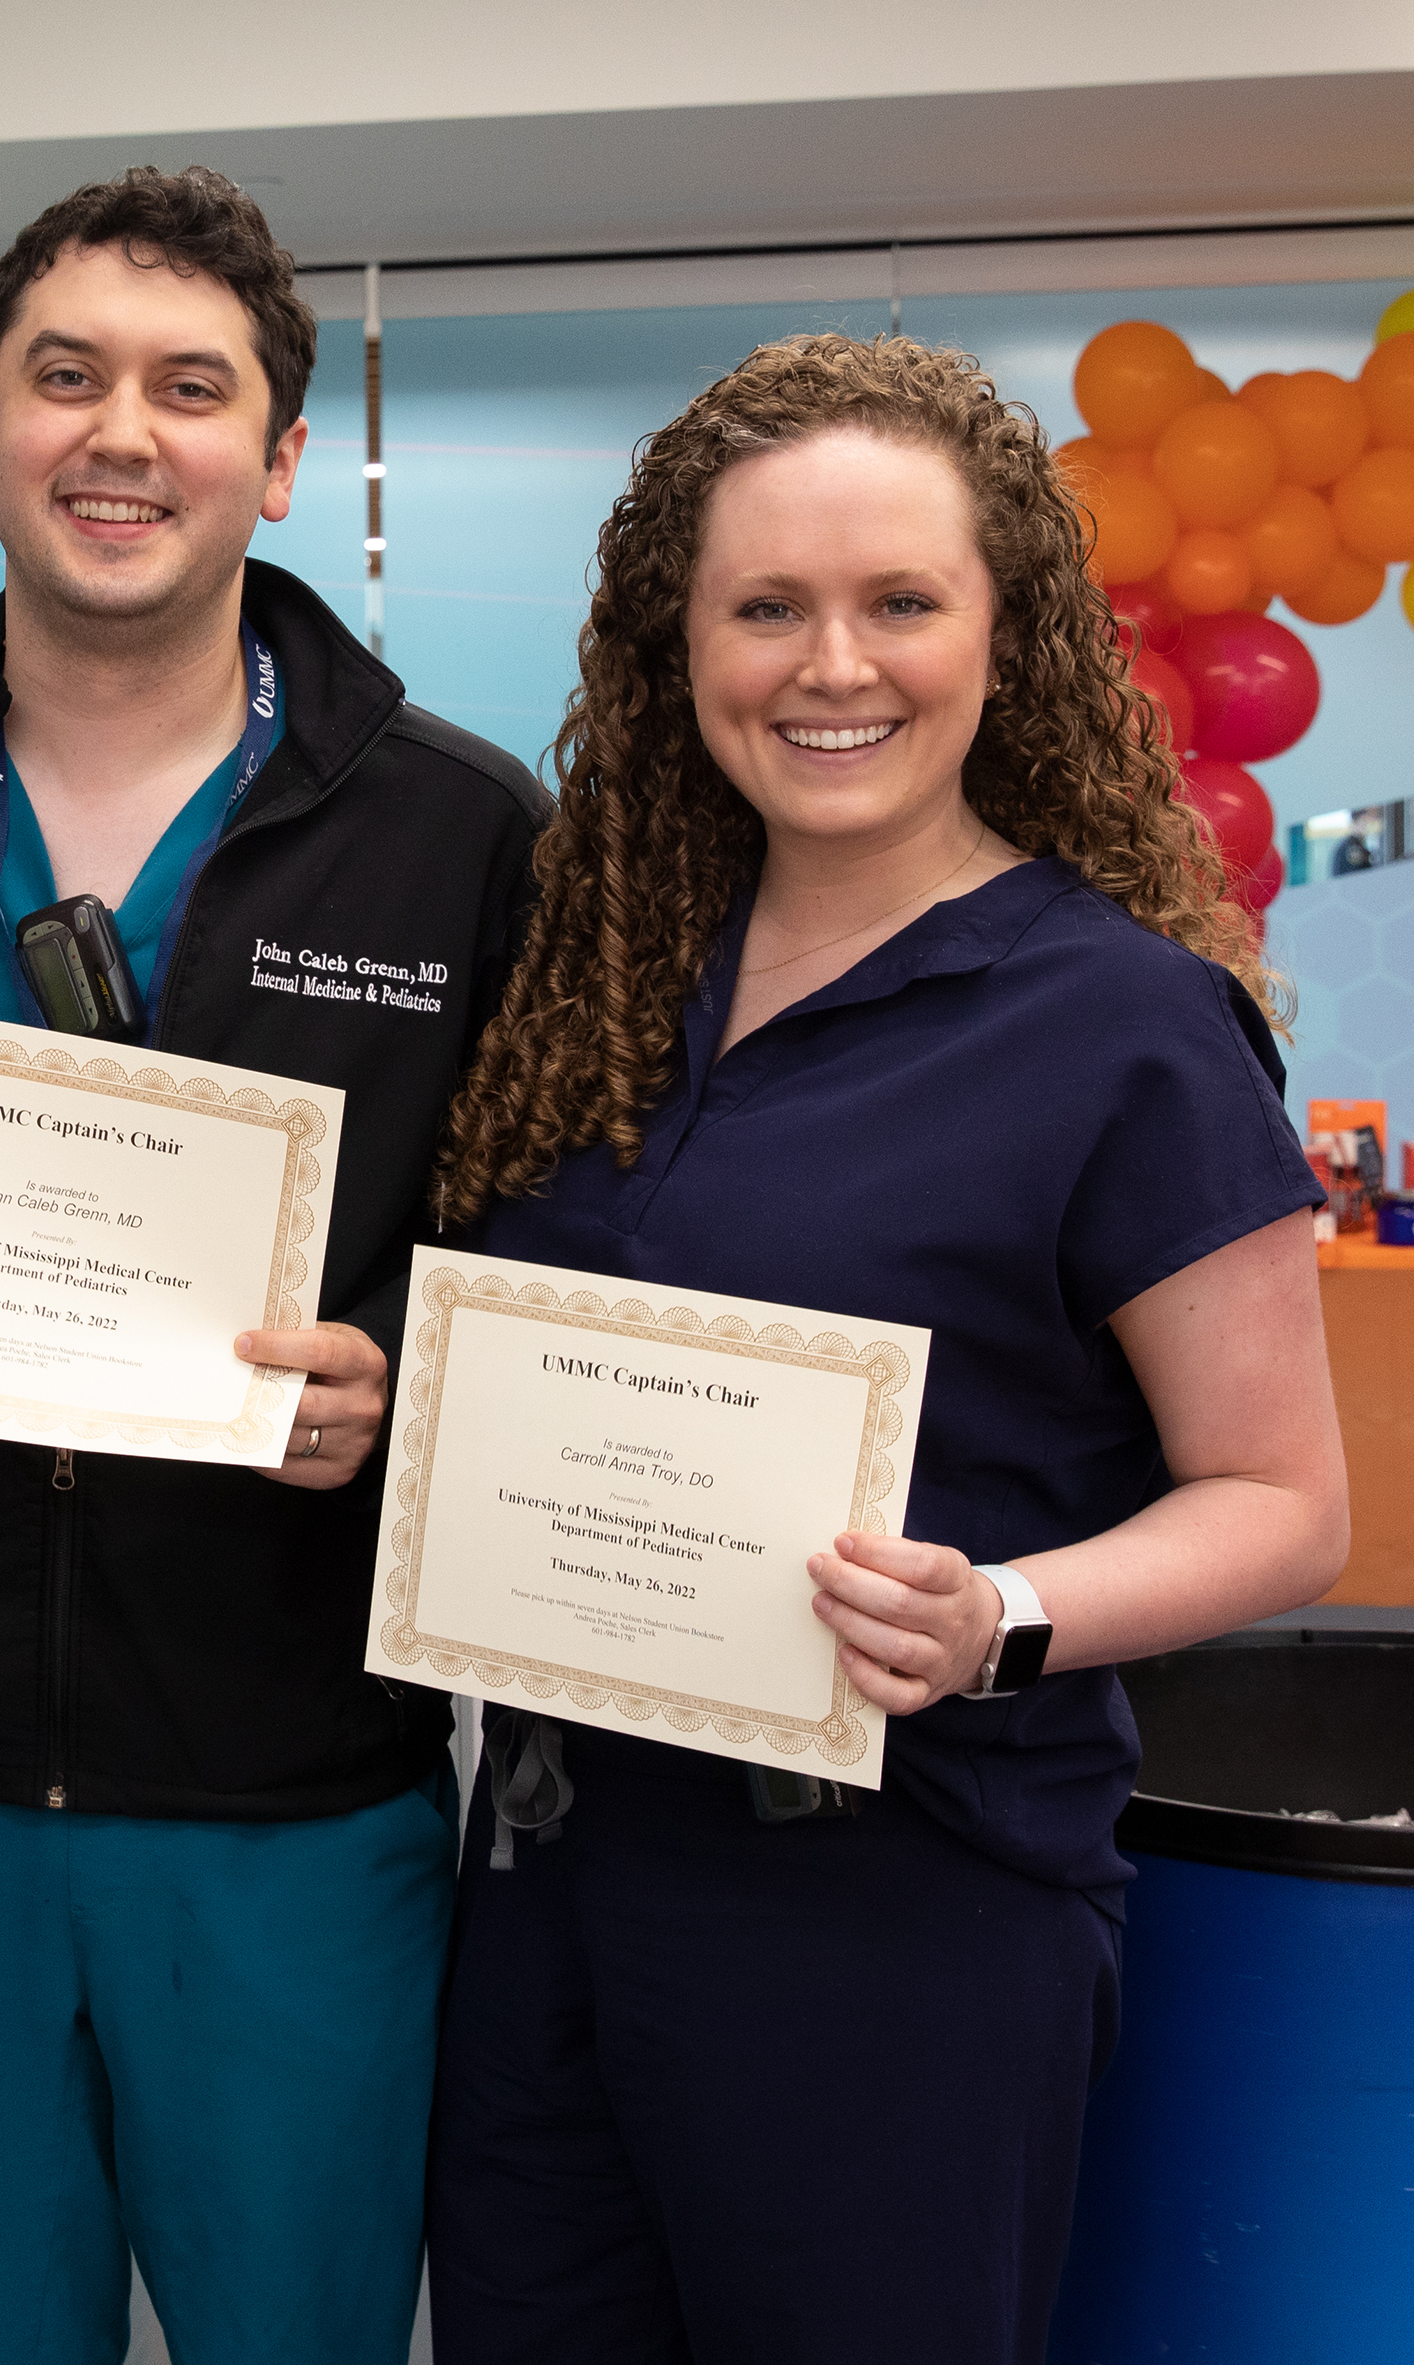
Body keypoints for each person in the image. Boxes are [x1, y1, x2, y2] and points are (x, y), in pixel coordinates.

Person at [422, 333, 1349, 2365]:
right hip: (561, 1875)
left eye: (899, 603)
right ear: (683, 646)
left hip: (900, 1909)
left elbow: (1286, 1505)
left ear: (1004, 641)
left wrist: (999, 1610)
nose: (830, 664)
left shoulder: (1125, 1023)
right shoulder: (602, 976)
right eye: (767, 607)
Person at [0, 166, 549, 2364]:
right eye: (62, 377)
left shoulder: (464, 836)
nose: (122, 433)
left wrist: (411, 1397)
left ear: (278, 457)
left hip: (296, 1803)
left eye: (193, 389)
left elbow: (562, 1267)